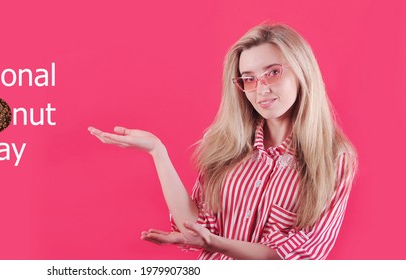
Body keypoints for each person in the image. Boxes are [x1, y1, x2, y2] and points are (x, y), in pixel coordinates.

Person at [88, 22, 357, 260]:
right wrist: (158, 152)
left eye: (273, 72)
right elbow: (194, 227)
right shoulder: (227, 145)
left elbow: (300, 254)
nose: (261, 88)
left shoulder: (335, 158)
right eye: (249, 79)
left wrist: (214, 243)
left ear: (302, 71)